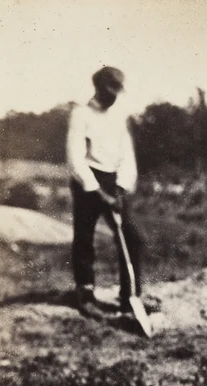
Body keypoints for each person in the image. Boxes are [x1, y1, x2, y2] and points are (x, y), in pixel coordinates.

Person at [66, 66, 143, 316]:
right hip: (87, 180)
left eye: (117, 92)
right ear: (98, 87)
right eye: (110, 91)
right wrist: (99, 193)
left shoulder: (118, 116)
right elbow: (75, 159)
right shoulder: (81, 114)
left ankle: (130, 296)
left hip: (114, 181)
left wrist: (120, 189)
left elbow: (127, 157)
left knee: (132, 238)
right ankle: (85, 294)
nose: (114, 97)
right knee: (85, 238)